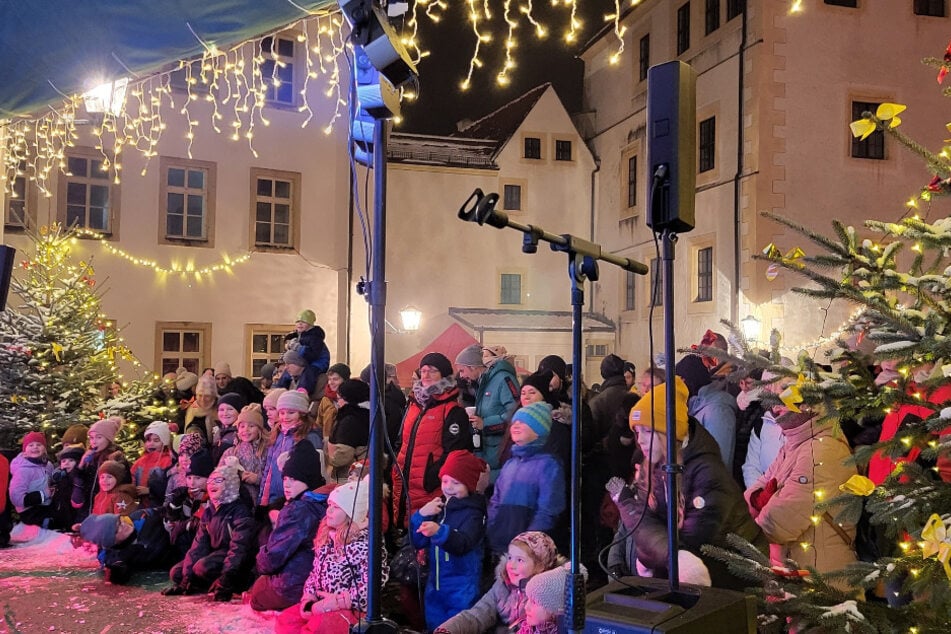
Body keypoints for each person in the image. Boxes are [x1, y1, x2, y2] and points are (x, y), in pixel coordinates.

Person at [609, 377, 766, 589]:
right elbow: (644, 523)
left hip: (737, 582)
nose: (640, 440)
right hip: (700, 581)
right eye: (637, 432)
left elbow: (688, 549)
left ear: (669, 431)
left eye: (647, 430)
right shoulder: (655, 466)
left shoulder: (707, 473)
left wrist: (648, 550)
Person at [745, 403, 857, 576]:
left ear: (807, 404)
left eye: (783, 399)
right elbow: (757, 488)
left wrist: (743, 535)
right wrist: (759, 500)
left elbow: (783, 520)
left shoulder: (823, 449)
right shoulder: (793, 446)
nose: (774, 407)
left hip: (823, 577)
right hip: (796, 568)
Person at [274, 477, 385, 634]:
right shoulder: (327, 538)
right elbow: (314, 573)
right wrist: (309, 597)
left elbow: (369, 590)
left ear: (350, 514)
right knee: (287, 619)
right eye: (329, 505)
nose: (329, 511)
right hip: (320, 602)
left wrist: (334, 603)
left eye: (336, 507)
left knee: (319, 626)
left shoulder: (367, 545)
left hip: (350, 610)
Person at [392, 352, 474, 530]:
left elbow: (455, 453)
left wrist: (430, 477)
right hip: (404, 483)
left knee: (425, 535)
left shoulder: (452, 410)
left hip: (431, 488)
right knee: (403, 532)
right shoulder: (413, 404)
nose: (426, 375)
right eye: (423, 370)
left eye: (432, 371)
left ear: (444, 376)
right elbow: (402, 441)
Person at [410, 450, 489, 630]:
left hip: (461, 587)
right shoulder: (438, 508)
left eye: (456, 482)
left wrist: (439, 532)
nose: (449, 487)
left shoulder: (474, 514)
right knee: (434, 625)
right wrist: (421, 515)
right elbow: (417, 541)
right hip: (436, 585)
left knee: (457, 627)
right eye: (445, 481)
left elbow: (463, 543)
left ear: (468, 485)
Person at [248, 441, 328, 611]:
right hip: (316, 583)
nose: (287, 484)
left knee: (256, 595)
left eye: (293, 479)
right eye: (284, 478)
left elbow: (273, 557)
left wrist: (259, 561)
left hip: (296, 584)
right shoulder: (323, 502)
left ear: (308, 479)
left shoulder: (298, 509)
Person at [163, 456, 256, 601]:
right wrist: (185, 580)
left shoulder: (240, 512)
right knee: (177, 572)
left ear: (230, 484)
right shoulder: (209, 511)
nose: (212, 484)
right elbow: (198, 546)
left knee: (202, 567)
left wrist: (227, 576)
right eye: (211, 480)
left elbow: (239, 548)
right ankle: (200, 583)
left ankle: (228, 583)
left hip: (236, 562)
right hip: (216, 554)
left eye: (219, 481)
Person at [435, 531, 562, 634]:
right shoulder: (502, 585)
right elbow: (476, 616)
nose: (511, 565)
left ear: (540, 565)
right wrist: (447, 629)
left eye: (520, 560)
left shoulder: (547, 595)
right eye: (510, 557)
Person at [487, 402, 565, 557]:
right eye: (514, 422)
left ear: (538, 430)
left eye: (523, 422)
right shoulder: (510, 463)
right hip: (500, 543)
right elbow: (495, 501)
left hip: (528, 551)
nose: (516, 425)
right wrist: (492, 528)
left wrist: (528, 542)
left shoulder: (548, 464)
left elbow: (548, 509)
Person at [454, 344, 519, 484]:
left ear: (473, 366)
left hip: (500, 454)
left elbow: (516, 413)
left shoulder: (503, 379)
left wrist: (485, 424)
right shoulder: (484, 382)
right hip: (488, 453)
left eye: (462, 370)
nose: (461, 375)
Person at [259, 389, 324, 512]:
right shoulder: (277, 434)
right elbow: (268, 469)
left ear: (302, 413)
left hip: (294, 499)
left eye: (291, 412)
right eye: (282, 413)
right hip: (273, 497)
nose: (285, 417)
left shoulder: (309, 436)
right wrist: (263, 496)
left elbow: (313, 471)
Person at [78, 509, 174, 584]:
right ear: (112, 542)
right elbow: (117, 574)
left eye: (119, 520)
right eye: (117, 528)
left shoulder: (143, 517)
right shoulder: (112, 556)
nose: (124, 524)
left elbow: (168, 510)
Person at [675, 353, 738, 468]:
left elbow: (719, 461)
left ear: (684, 381)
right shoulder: (694, 406)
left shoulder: (718, 410)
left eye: (678, 382)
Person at [72, 417, 127, 521]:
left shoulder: (116, 456)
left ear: (108, 438)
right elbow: (79, 481)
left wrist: (112, 466)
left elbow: (123, 482)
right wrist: (81, 463)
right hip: (87, 509)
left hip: (105, 509)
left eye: (98, 437)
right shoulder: (90, 457)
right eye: (91, 438)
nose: (94, 441)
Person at [325, 379, 370, 483]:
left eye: (339, 398)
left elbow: (344, 454)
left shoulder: (350, 420)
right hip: (361, 473)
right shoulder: (367, 414)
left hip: (348, 476)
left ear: (348, 399)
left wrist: (330, 462)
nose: (338, 402)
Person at [221, 404, 268, 504]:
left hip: (258, 502)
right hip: (234, 501)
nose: (245, 430)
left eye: (251, 426)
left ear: (259, 429)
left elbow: (272, 477)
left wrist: (257, 479)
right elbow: (218, 476)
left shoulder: (266, 451)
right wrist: (236, 474)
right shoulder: (231, 452)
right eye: (242, 426)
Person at [9, 431, 55, 528]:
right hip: (29, 510)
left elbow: (52, 480)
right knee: (49, 523)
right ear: (25, 450)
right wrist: (43, 494)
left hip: (45, 504)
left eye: (39, 444)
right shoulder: (23, 470)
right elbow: (16, 497)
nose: (35, 447)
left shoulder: (48, 465)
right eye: (31, 445)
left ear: (45, 448)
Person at [360, 362, 407, 446]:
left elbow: (387, 432)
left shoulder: (385, 403)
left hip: (383, 451)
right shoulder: (392, 398)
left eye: (366, 383)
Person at [129, 421, 174, 508]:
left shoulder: (168, 461)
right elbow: (132, 477)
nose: (151, 443)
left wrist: (150, 490)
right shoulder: (141, 461)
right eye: (148, 440)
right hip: (143, 506)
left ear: (165, 442)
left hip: (161, 507)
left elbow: (171, 486)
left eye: (156, 440)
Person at [317, 363, 350, 445]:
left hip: (345, 442)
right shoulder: (325, 400)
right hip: (327, 441)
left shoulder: (351, 399)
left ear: (345, 380)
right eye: (329, 379)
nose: (331, 382)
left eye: (335, 379)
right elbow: (319, 423)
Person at [212, 392, 247, 465]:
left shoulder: (241, 434)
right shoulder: (220, 430)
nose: (225, 413)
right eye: (221, 410)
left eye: (230, 409)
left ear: (239, 411)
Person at [184, 376, 219, 445]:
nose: (203, 399)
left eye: (207, 396)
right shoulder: (192, 409)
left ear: (213, 396)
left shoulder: (219, 410)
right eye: (200, 395)